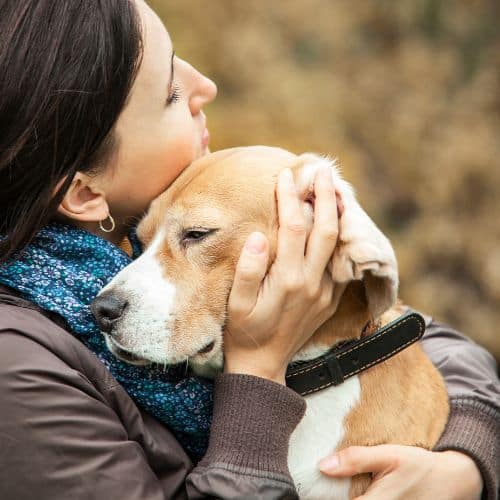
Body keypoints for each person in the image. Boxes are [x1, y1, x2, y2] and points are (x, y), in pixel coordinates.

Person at [0, 1, 497, 499]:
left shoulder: (134, 245)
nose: (205, 87)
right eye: (170, 93)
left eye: (192, 236)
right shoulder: (18, 369)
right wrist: (258, 366)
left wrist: (466, 459)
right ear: (85, 193)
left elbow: (417, 334)